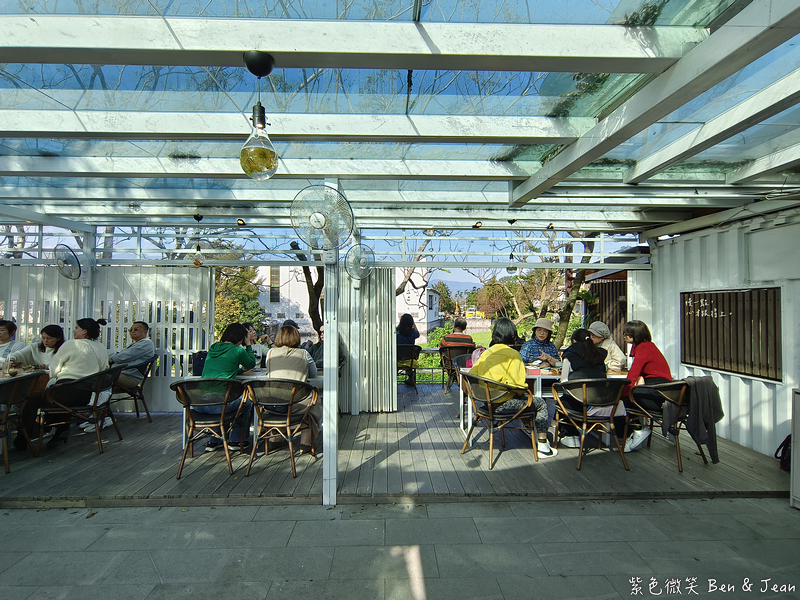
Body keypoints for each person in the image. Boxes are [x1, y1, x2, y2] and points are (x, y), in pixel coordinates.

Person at [15, 318, 110, 450]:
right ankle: (60, 431)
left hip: (67, 390)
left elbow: (54, 370)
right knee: (56, 398)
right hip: (89, 394)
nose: (74, 330)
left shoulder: (72, 344)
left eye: (76, 328)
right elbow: (104, 368)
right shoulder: (101, 347)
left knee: (31, 401)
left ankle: (22, 440)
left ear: (84, 331)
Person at [469, 317, 557, 459]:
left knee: (526, 399)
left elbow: (472, 376)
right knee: (540, 403)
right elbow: (519, 386)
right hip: (505, 405)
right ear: (512, 335)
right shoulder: (513, 355)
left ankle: (529, 429)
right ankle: (542, 445)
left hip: (486, 405)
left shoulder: (486, 353)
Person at [263, 324, 320, 453]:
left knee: (283, 401)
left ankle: (273, 439)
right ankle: (305, 443)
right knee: (312, 402)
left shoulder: (270, 353)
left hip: (272, 403)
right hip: (295, 403)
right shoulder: (303, 353)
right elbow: (314, 373)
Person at [200, 322, 256, 451]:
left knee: (220, 397)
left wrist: (238, 371)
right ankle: (237, 441)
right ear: (241, 337)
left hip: (200, 405)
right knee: (245, 403)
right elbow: (251, 363)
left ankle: (214, 440)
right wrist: (248, 345)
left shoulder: (213, 348)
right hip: (218, 405)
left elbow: (222, 369)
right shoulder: (237, 350)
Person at [621, 320, 672, 453]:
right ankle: (637, 432)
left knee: (623, 400)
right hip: (666, 392)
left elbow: (633, 375)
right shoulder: (649, 346)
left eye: (627, 333)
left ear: (635, 334)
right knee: (627, 397)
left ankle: (637, 430)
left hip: (657, 392)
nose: (624, 336)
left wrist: (621, 392)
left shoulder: (643, 348)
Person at [108, 321, 155, 393]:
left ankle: (94, 403)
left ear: (145, 332)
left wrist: (109, 359)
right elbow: (119, 356)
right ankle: (97, 402)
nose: (132, 332)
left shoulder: (146, 343)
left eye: (136, 329)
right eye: (131, 330)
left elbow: (120, 358)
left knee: (96, 377)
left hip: (128, 377)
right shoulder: (134, 344)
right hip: (120, 373)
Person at [396, 313, 420, 387]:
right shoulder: (413, 333)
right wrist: (414, 324)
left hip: (397, 359)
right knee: (408, 360)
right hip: (410, 360)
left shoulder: (396, 333)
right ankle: (411, 377)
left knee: (400, 357)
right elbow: (418, 333)